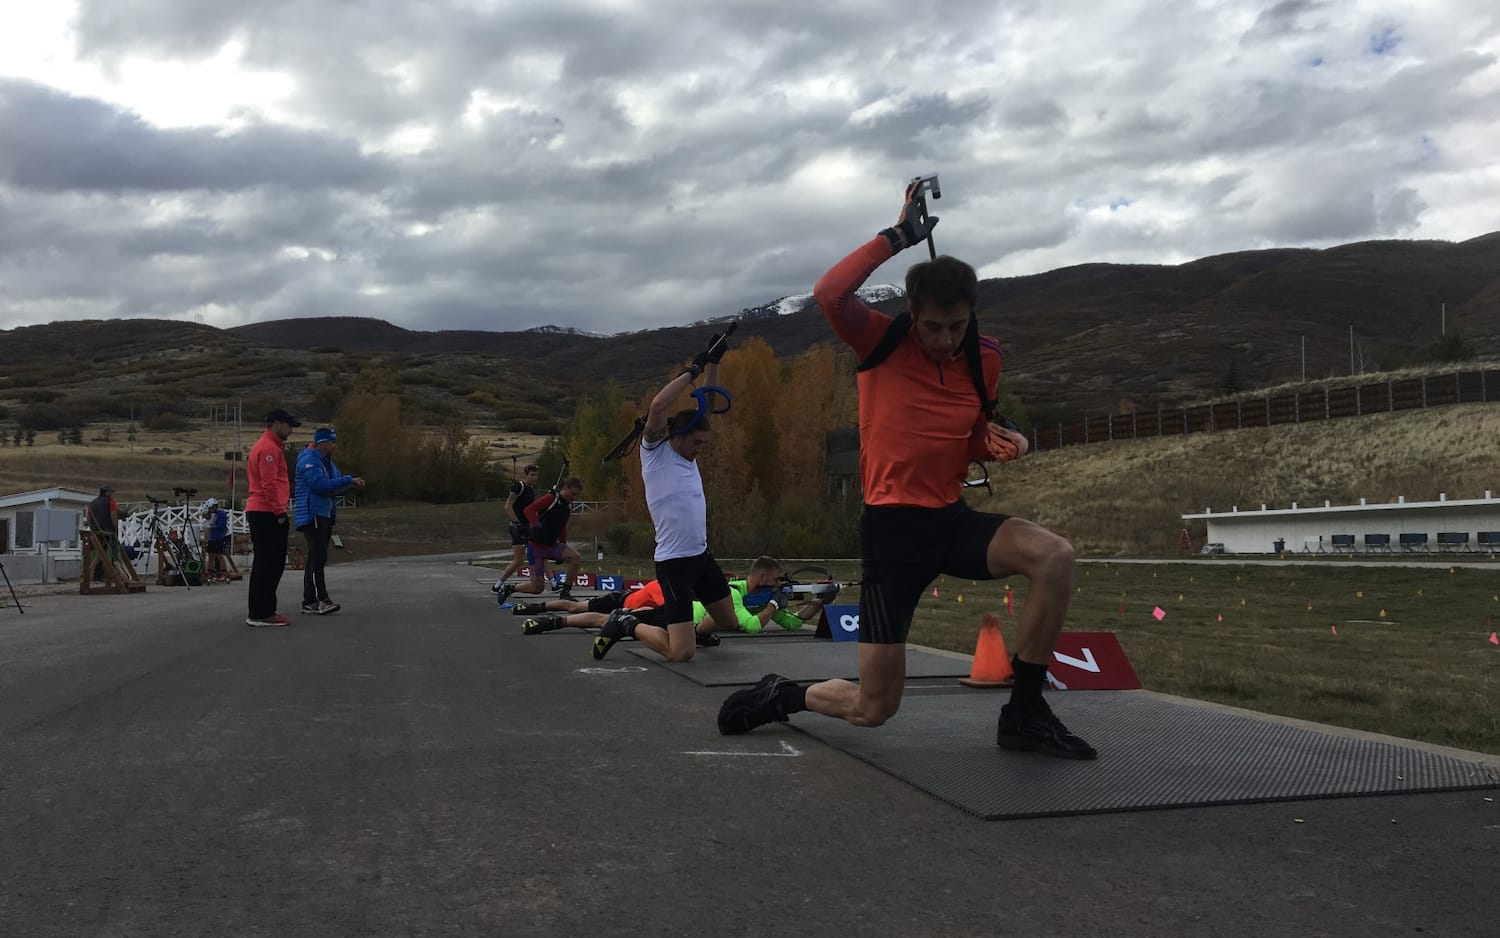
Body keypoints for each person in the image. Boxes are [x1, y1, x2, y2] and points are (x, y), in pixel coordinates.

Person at [716, 184, 1096, 760]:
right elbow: (829, 292)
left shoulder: (982, 357)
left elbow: (972, 433)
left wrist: (1001, 443)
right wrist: (897, 237)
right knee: (875, 707)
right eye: (934, 327)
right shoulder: (881, 340)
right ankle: (783, 694)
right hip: (892, 535)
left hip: (950, 520)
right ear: (912, 315)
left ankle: (1024, 712)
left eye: (958, 326)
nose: (946, 340)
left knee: (1055, 556)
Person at [590, 345, 741, 663]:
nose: (700, 449)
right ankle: (627, 623)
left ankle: (686, 629)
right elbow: (658, 404)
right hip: (674, 565)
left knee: (729, 621)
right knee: (680, 653)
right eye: (697, 442)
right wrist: (693, 371)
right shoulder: (655, 452)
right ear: (679, 435)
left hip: (701, 557)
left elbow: (708, 406)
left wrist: (714, 363)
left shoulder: (689, 454)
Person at [294, 427, 364, 615]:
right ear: (322, 442)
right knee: (318, 557)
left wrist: (349, 485)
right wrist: (348, 479)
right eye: (331, 441)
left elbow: (334, 485)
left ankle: (309, 600)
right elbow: (320, 485)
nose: (334, 445)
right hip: (313, 513)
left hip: (325, 513)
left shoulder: (327, 462)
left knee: (314, 557)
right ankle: (321, 598)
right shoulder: (309, 460)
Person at [244, 408, 299, 627]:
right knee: (268, 563)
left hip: (265, 510)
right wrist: (279, 512)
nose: (291, 431)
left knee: (271, 563)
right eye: (289, 425)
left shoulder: (270, 447)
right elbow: (268, 484)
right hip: (266, 512)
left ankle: (264, 608)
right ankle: (261, 612)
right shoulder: (268, 449)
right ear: (277, 424)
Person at [496, 477, 585, 604]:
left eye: (577, 495)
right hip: (536, 547)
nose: (574, 497)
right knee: (537, 588)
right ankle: (510, 588)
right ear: (566, 488)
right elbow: (529, 510)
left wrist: (563, 544)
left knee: (575, 557)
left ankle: (565, 592)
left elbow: (562, 527)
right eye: (573, 494)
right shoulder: (551, 498)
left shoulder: (567, 506)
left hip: (552, 545)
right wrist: (536, 524)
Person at [491, 464, 540, 598]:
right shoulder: (519, 486)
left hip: (527, 525)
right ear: (526, 475)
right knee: (518, 560)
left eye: (536, 475)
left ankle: (553, 583)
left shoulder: (532, 488)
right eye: (531, 475)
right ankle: (498, 585)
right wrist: (517, 522)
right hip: (517, 527)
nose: (534, 478)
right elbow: (508, 506)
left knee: (538, 552)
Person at [84, 485, 119, 582]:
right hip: (108, 531)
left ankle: (97, 575)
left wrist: (93, 528)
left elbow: (88, 518)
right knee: (113, 552)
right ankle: (114, 573)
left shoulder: (92, 503)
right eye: (111, 492)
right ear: (107, 492)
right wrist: (115, 528)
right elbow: (113, 514)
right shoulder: (110, 501)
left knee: (99, 552)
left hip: (96, 531)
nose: (112, 494)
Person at [200, 498, 232, 582]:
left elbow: (222, 526)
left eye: (211, 508)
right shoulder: (213, 514)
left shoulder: (221, 514)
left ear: (215, 506)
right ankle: (211, 572)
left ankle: (223, 573)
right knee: (211, 555)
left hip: (220, 537)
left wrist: (211, 526)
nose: (210, 510)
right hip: (212, 537)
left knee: (219, 555)